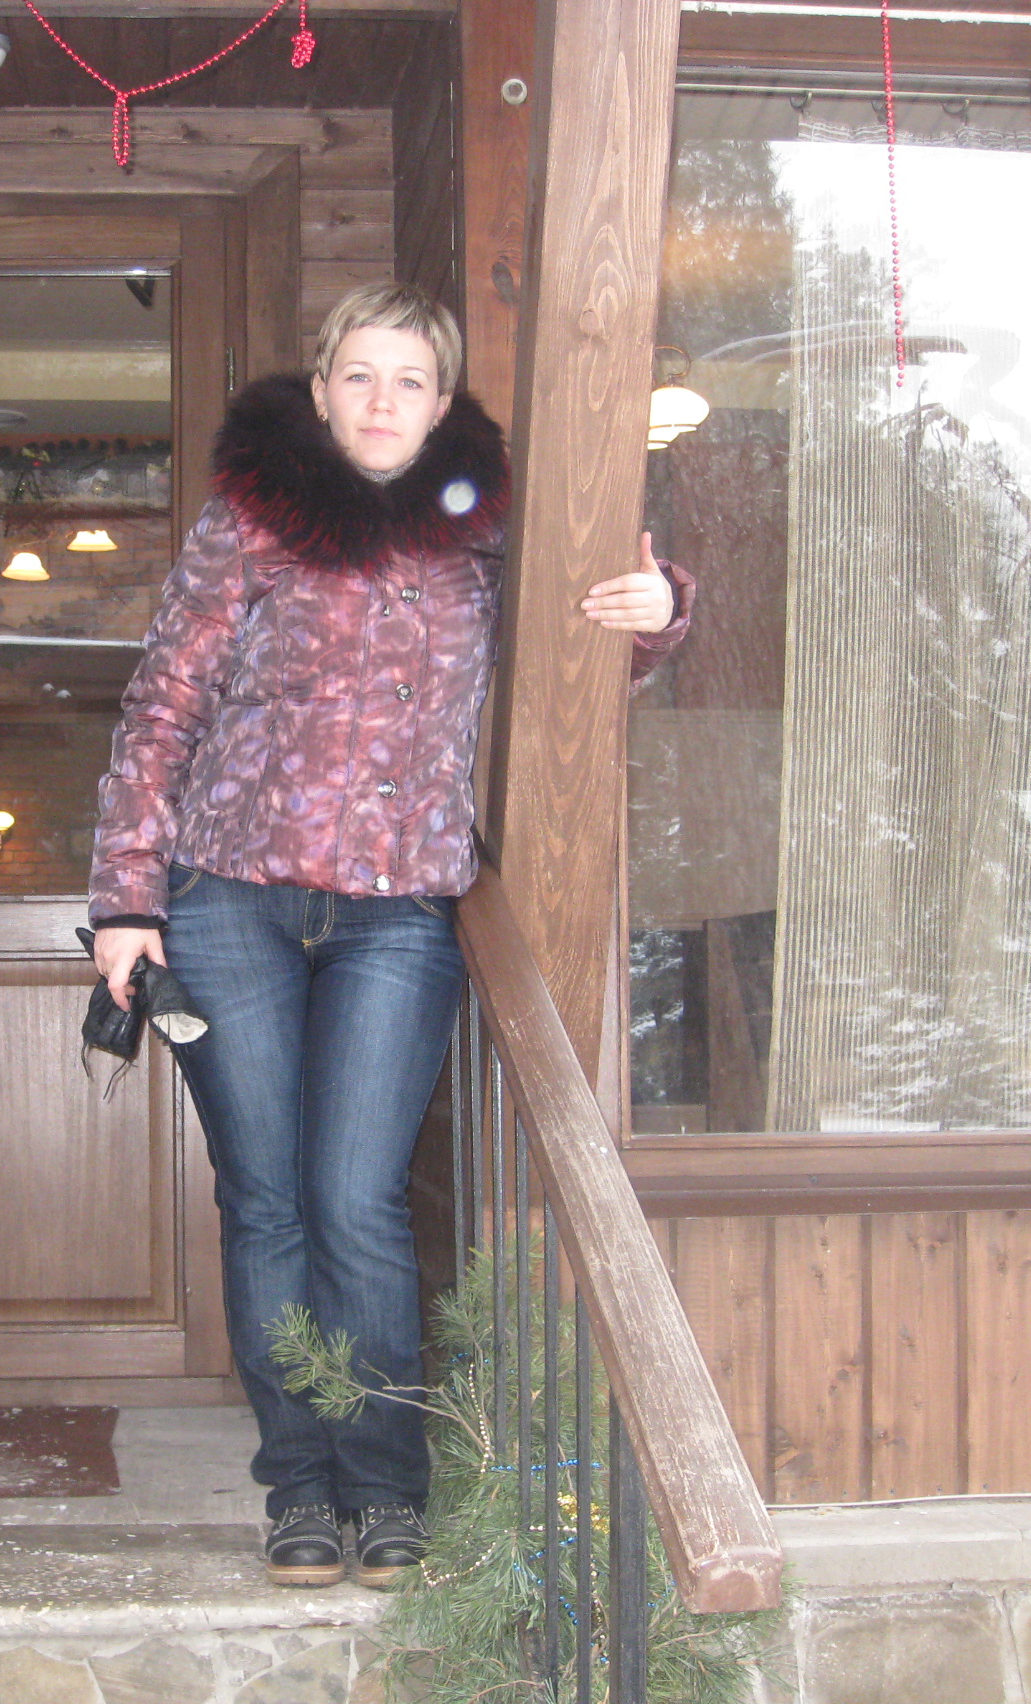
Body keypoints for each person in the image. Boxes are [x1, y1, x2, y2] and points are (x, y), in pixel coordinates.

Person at [87, 282, 689, 1589]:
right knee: (266, 1202)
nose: (380, 400)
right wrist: (127, 900)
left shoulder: (488, 527)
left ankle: (388, 1489)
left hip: (398, 912)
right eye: (357, 374)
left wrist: (660, 609)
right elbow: (162, 705)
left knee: (356, 1202)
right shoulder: (254, 516)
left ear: (442, 400)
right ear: (320, 391)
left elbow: (584, 644)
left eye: (408, 379)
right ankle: (300, 1490)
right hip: (229, 900)